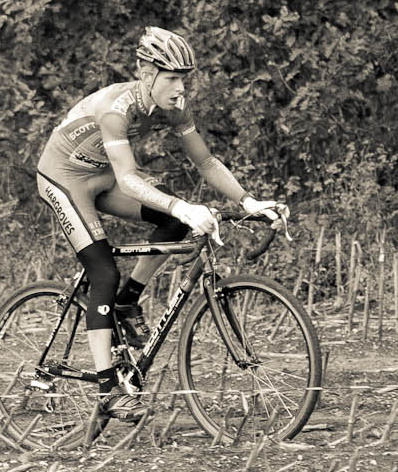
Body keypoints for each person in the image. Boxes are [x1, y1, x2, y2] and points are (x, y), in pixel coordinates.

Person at [36, 27, 284, 420]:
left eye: (183, 78)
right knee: (102, 272)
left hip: (101, 175)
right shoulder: (116, 109)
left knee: (173, 223)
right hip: (64, 178)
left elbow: (205, 162)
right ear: (145, 73)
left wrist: (248, 201)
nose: (178, 87)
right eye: (170, 77)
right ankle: (108, 390)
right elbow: (129, 178)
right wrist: (183, 206)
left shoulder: (174, 106)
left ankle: (127, 300)